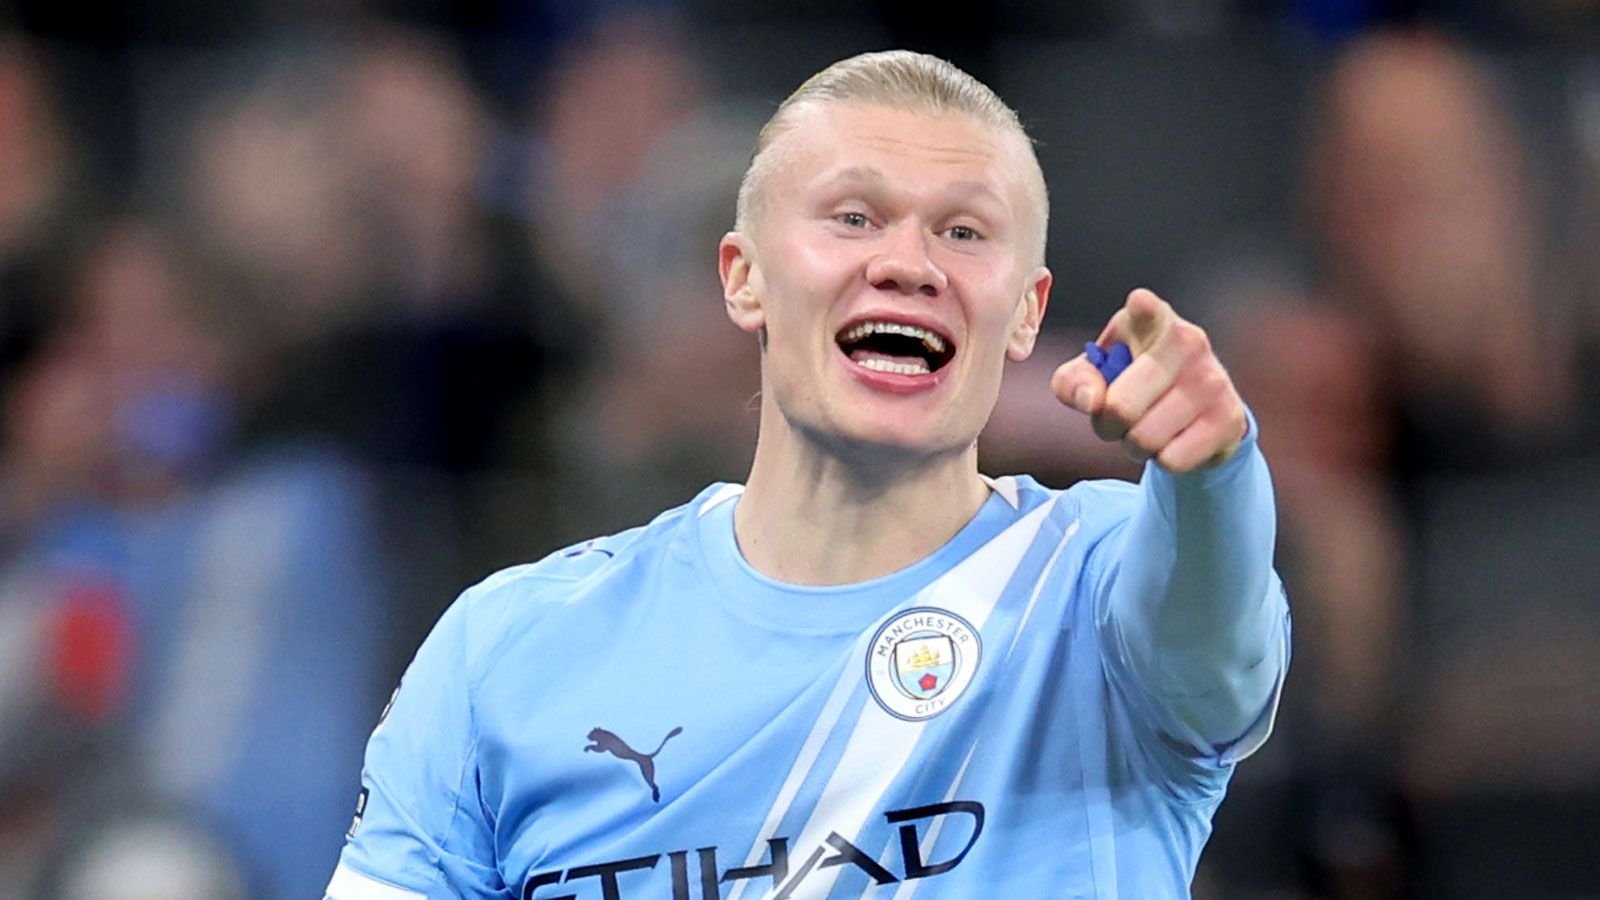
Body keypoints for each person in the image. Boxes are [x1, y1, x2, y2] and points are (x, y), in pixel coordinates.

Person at [324, 50, 1289, 899]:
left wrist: (1211, 469)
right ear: (743, 277)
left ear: (1028, 312)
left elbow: (1212, 651)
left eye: (963, 232)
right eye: (854, 217)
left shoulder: (1092, 581)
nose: (908, 263)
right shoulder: (506, 650)